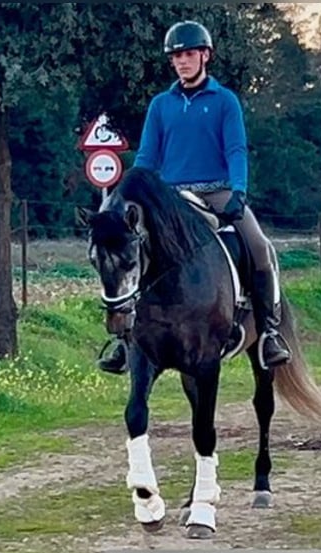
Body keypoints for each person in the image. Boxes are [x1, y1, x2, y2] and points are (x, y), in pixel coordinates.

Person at [97, 19, 291, 374]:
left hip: (216, 191)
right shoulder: (160, 105)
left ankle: (269, 334)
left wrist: (238, 191)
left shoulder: (224, 101)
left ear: (205, 56)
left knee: (261, 249)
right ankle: (123, 342)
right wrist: (127, 196)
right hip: (169, 199)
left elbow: (235, 149)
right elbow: (146, 158)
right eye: (176, 56)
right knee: (131, 252)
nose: (181, 61)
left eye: (188, 54)